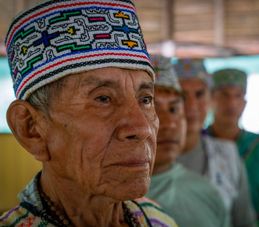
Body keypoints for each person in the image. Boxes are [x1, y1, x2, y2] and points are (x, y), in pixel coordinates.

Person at [0, 1, 177, 226]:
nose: (142, 128)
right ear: (31, 129)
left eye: (145, 100)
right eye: (103, 99)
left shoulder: (158, 220)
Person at [146, 55, 229, 227]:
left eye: (174, 109)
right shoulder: (109, 200)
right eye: (152, 108)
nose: (169, 123)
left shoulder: (208, 193)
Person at [174, 58, 257, 227]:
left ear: (210, 100)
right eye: (182, 96)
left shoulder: (227, 155)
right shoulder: (147, 161)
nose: (191, 106)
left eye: (199, 94)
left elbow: (244, 222)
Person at [207, 68, 259, 227]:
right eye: (224, 95)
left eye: (238, 96)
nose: (231, 103)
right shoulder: (197, 144)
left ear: (244, 103)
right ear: (211, 99)